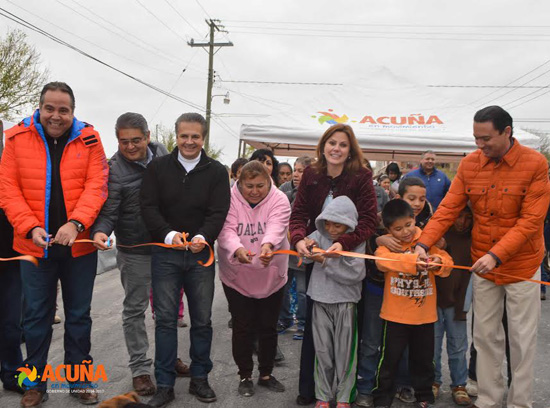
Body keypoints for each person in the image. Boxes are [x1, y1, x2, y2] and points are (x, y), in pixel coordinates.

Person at [415, 105, 550, 408]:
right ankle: (489, 400)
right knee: (486, 337)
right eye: (476, 138)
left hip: (522, 266)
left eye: (486, 138)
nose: (480, 145)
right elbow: (448, 208)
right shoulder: (470, 164)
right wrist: (423, 242)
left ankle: (519, 403)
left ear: (507, 132)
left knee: (522, 341)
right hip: (484, 265)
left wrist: (496, 254)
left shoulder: (536, 164)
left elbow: (531, 221)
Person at [0, 81, 109, 407]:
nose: (56, 115)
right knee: (34, 318)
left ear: (73, 112)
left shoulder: (90, 139)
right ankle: (33, 383)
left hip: (79, 247)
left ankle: (80, 380)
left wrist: (76, 223)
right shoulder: (16, 138)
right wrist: (29, 226)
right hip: (34, 248)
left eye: (63, 110)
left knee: (78, 316)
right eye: (50, 108)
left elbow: (98, 185)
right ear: (40, 107)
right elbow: (8, 189)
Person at [91, 112, 190, 396]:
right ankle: (140, 370)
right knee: (135, 311)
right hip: (134, 251)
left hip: (167, 247)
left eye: (136, 140)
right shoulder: (114, 170)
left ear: (148, 136)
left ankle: (167, 360)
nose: (131, 146)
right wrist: (101, 232)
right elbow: (109, 213)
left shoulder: (163, 154)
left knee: (167, 310)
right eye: (124, 142)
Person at [140, 112, 230, 406]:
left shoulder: (217, 171)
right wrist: (168, 235)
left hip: (200, 256)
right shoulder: (157, 168)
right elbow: (149, 207)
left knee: (202, 320)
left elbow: (218, 211)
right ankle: (164, 384)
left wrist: (203, 237)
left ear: (203, 138)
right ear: (175, 137)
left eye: (195, 136)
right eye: (184, 136)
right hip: (165, 255)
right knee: (165, 320)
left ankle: (200, 379)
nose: (189, 141)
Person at [290, 123, 378, 405]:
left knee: (345, 338)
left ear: (350, 149)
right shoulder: (312, 174)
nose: (336, 149)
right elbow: (299, 213)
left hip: (348, 256)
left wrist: (347, 243)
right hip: (315, 252)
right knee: (317, 332)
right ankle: (314, 392)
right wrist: (299, 239)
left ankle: (344, 392)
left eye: (342, 144)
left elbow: (368, 219)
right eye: (332, 143)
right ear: (323, 145)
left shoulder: (362, 176)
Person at [217, 161, 291, 398]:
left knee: (269, 326)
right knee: (242, 327)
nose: (255, 191)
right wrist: (237, 248)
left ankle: (266, 373)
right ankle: (245, 375)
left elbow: (277, 226)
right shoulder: (227, 199)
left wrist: (268, 245)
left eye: (261, 185)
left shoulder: (280, 199)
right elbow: (226, 230)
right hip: (238, 275)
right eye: (249, 186)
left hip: (271, 273)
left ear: (269, 181)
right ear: (239, 181)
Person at [372, 200, 452, 408]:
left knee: (424, 360)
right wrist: (413, 262)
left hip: (424, 316)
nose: (405, 232)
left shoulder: (427, 240)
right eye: (398, 229)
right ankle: (382, 398)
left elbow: (448, 262)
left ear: (414, 219)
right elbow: (382, 262)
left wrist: (438, 262)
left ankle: (424, 396)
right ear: (388, 230)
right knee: (389, 360)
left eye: (408, 224)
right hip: (394, 316)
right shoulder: (386, 245)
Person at [304, 196, 366, 408]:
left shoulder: (356, 241)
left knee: (345, 353)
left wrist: (323, 261)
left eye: (337, 224)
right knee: (322, 352)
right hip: (320, 300)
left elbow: (356, 274)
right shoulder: (318, 235)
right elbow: (301, 256)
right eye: (327, 223)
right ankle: (322, 396)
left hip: (346, 303)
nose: (331, 228)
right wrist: (304, 246)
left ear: (348, 223)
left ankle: (343, 398)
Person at [432, 206, 473, 406]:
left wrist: (464, 305)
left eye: (467, 218)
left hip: (458, 303)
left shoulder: (473, 240)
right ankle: (434, 380)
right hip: (434, 300)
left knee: (458, 346)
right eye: (458, 216)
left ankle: (459, 385)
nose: (462, 222)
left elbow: (470, 278)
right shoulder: (439, 237)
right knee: (433, 344)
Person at [278, 156, 312, 339]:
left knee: (301, 290)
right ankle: (284, 319)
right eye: (295, 170)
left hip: (302, 249)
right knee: (281, 285)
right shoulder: (284, 190)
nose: (296, 174)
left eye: (300, 171)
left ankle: (303, 323)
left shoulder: (314, 191)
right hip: (284, 249)